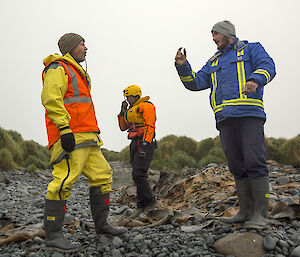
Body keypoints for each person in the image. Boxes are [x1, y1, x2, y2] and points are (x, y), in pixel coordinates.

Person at [174, 21, 276, 228]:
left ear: (227, 33)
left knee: (254, 162)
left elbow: (268, 66)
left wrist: (255, 80)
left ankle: (261, 215)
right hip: (224, 119)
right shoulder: (213, 62)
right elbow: (195, 83)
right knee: (237, 165)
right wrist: (183, 66)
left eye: (215, 35)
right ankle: (245, 212)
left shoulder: (251, 49)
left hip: (249, 114)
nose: (213, 39)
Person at [41, 33, 126, 253]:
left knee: (102, 174)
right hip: (70, 136)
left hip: (88, 136)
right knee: (64, 180)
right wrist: (64, 129)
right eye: (81, 44)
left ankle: (102, 225)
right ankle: (53, 236)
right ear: (70, 48)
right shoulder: (57, 68)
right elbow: (51, 99)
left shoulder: (78, 72)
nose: (86, 48)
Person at [118, 85, 157, 218]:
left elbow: (150, 125)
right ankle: (141, 206)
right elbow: (123, 128)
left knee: (139, 174)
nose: (127, 99)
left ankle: (151, 203)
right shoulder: (130, 110)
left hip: (144, 142)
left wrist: (146, 144)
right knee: (137, 175)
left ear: (135, 96)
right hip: (135, 142)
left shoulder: (146, 106)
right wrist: (122, 113)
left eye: (128, 97)